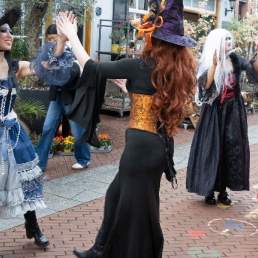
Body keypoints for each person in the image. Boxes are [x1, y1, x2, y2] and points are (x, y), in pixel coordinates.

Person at [56, 0, 197, 257]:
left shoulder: (140, 66)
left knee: (140, 212)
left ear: (154, 37)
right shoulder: (173, 70)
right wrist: (129, 89)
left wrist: (73, 36)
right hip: (156, 148)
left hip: (140, 150)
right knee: (115, 195)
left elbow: (92, 69)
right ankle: (100, 249)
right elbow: (153, 98)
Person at [0, 7, 74, 255]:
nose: (9, 35)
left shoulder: (15, 68)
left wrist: (62, 40)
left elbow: (45, 66)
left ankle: (32, 225)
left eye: (10, 31)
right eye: (3, 31)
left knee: (26, 180)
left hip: (13, 134)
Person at [186, 28, 258, 205]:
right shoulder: (209, 61)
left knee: (230, 149)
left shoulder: (235, 58)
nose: (229, 41)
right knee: (212, 148)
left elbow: (251, 69)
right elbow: (207, 85)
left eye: (230, 38)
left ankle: (223, 191)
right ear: (217, 41)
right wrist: (214, 65)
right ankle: (208, 190)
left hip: (233, 111)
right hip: (214, 112)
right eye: (225, 39)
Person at [35, 24, 91, 171]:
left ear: (61, 36)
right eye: (50, 39)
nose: (52, 41)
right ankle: (40, 162)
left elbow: (74, 73)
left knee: (76, 128)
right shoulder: (53, 52)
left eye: (53, 38)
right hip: (57, 95)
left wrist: (52, 68)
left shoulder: (73, 49)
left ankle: (84, 158)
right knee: (48, 127)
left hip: (71, 96)